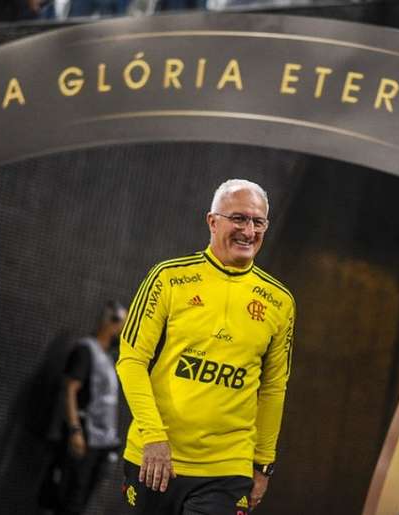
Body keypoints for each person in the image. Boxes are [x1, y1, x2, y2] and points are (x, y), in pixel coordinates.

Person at [117, 179, 296, 514]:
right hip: (155, 460)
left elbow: (273, 387)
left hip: (227, 470)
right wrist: (153, 436)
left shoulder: (279, 301)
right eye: (239, 219)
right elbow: (131, 360)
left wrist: (263, 464)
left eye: (258, 222)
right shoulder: (168, 278)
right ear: (213, 222)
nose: (249, 230)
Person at [42, 300, 127, 515]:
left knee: (80, 502)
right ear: (111, 322)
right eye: (122, 325)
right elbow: (69, 390)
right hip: (85, 437)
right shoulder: (86, 350)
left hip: (101, 442)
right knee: (69, 499)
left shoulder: (107, 358)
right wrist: (75, 430)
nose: (122, 332)